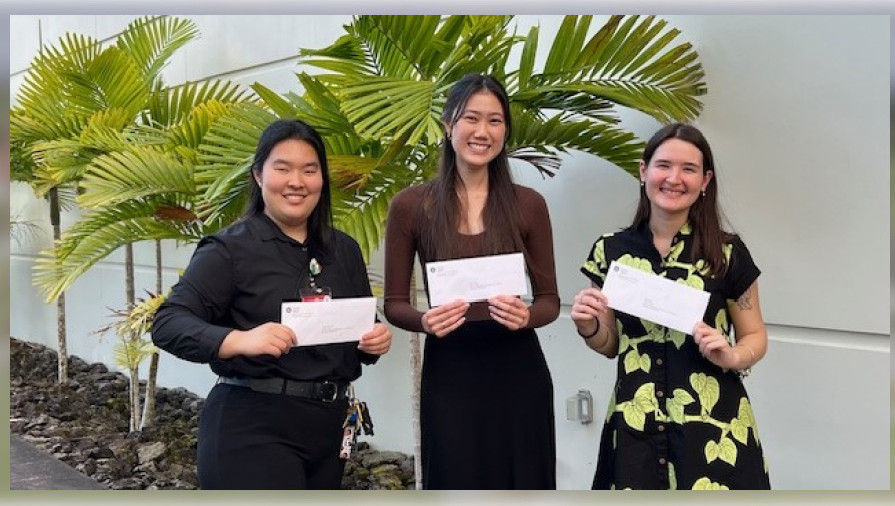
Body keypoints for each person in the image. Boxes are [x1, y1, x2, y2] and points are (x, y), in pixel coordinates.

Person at [151, 119, 392, 490]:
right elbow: (168, 323)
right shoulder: (230, 249)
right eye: (283, 168)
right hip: (252, 426)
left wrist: (374, 341)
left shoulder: (343, 249)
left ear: (321, 180)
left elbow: (357, 329)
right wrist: (239, 340)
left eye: (309, 170)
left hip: (329, 430)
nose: (297, 181)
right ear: (259, 176)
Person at [383, 73, 560, 490]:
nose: (483, 132)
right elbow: (394, 303)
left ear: (506, 131)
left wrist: (527, 315)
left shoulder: (528, 204)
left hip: (518, 367)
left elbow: (550, 301)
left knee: (524, 481)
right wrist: (425, 321)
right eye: (471, 119)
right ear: (448, 125)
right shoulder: (411, 205)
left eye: (495, 121)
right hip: (451, 368)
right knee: (457, 480)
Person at [573, 123, 770, 490]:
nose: (674, 178)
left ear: (705, 180)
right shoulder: (611, 250)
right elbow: (611, 345)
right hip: (636, 428)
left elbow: (755, 335)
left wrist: (731, 356)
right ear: (643, 171)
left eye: (689, 169)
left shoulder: (727, 253)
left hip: (713, 427)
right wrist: (589, 326)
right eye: (663, 165)